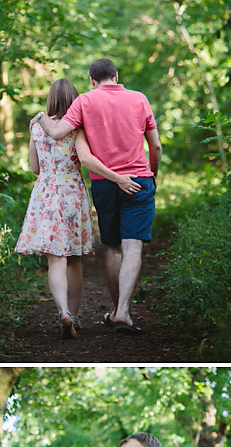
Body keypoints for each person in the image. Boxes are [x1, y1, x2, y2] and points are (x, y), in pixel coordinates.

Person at [33, 58, 162, 335]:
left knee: (113, 247)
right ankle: (123, 312)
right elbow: (156, 145)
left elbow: (56, 133)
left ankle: (115, 309)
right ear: (116, 75)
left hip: (104, 183)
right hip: (139, 180)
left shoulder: (85, 102)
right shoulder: (140, 99)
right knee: (133, 248)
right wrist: (153, 173)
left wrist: (40, 117)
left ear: (91, 80)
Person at [16, 78, 142, 339]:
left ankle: (62, 311)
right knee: (73, 259)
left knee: (55, 259)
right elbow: (87, 160)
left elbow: (34, 168)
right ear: (74, 100)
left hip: (46, 193)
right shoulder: (78, 128)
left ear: (50, 99)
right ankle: (73, 314)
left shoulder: (36, 127)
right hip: (72, 192)